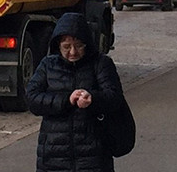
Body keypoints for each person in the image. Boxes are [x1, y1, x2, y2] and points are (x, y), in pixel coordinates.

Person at [26, 12, 126, 172]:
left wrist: (93, 98)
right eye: (66, 47)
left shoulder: (100, 63)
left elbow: (114, 97)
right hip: (54, 155)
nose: (73, 52)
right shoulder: (48, 65)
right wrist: (67, 100)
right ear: (58, 45)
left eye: (79, 46)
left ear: (87, 43)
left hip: (93, 154)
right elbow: (32, 98)